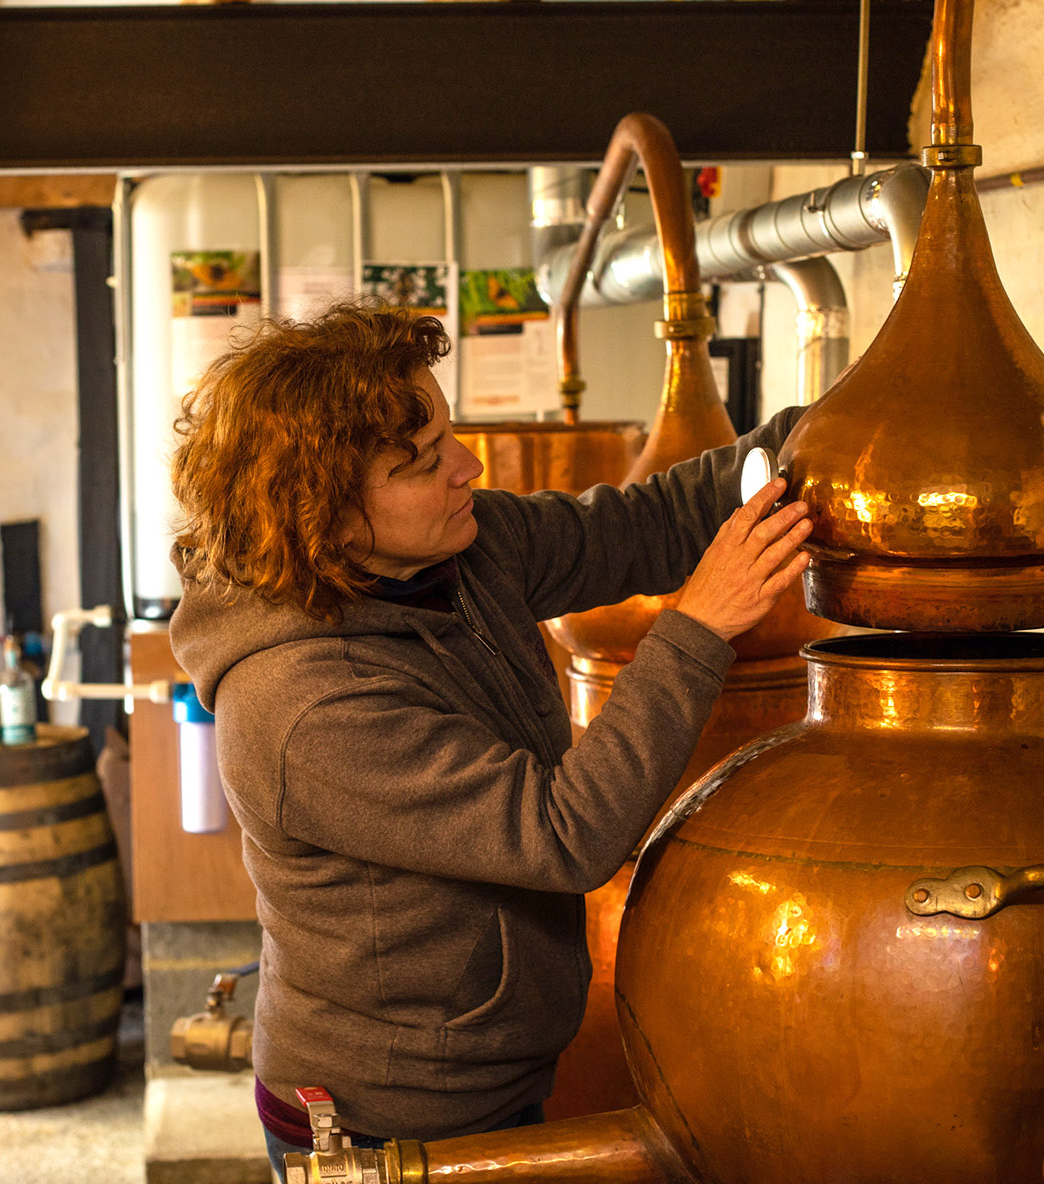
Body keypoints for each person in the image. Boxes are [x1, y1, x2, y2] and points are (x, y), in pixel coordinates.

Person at [167, 304, 812, 1174]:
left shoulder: (458, 553)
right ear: (325, 516)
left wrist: (820, 432)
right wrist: (697, 628)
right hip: (388, 1121)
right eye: (424, 461)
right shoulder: (303, 708)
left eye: (448, 436)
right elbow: (563, 834)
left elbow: (647, 525)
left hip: (493, 1063)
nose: (466, 467)